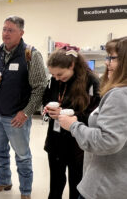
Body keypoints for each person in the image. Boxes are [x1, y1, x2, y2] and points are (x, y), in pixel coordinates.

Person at [0, 16, 47, 199]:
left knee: (22, 156)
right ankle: (4, 181)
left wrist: (26, 113)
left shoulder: (31, 55)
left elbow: (39, 88)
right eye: (4, 29)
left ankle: (25, 192)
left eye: (10, 30)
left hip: (16, 117)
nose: (5, 34)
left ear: (21, 33)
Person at [58, 37, 127, 199]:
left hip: (105, 186)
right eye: (107, 57)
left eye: (112, 58)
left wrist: (73, 125)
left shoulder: (119, 95)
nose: (107, 63)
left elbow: (106, 141)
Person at [42, 47, 100, 199]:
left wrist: (71, 114)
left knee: (77, 184)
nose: (56, 78)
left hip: (77, 143)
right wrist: (48, 108)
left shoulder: (91, 81)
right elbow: (47, 97)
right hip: (55, 140)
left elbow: (95, 116)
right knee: (55, 182)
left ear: (72, 66)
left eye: (59, 74)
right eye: (53, 75)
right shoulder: (55, 80)